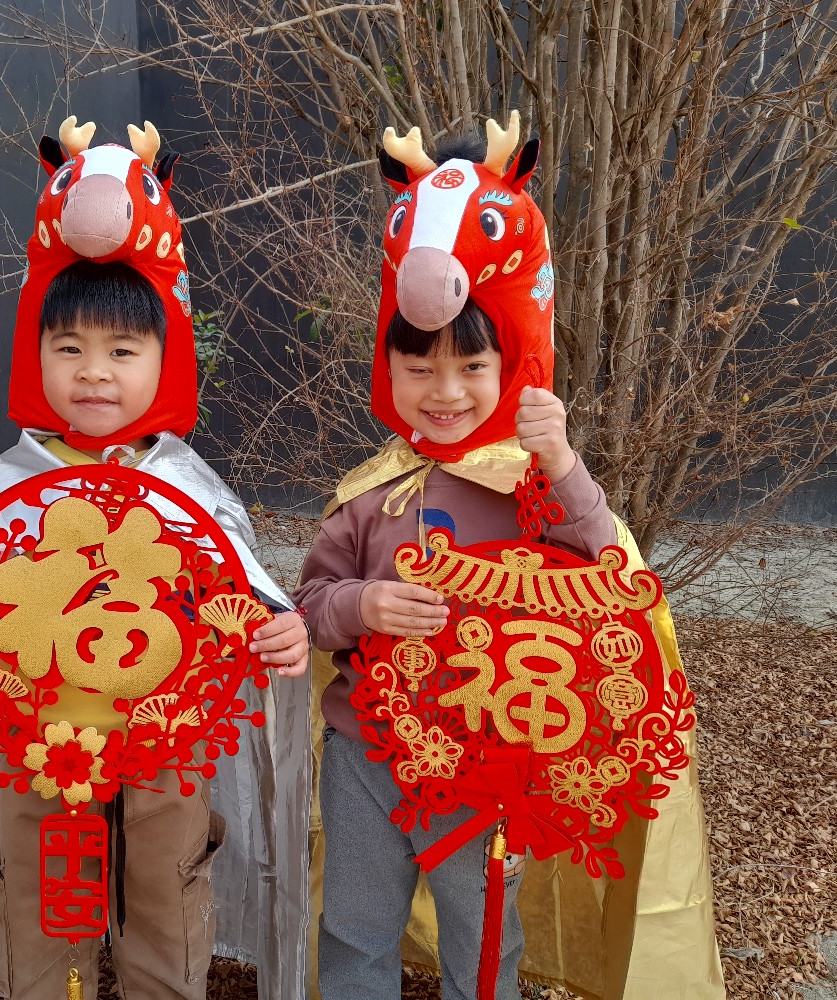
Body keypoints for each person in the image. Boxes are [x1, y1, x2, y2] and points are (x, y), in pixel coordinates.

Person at [0, 118, 313, 1000]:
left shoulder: (191, 494)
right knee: (38, 908)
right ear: (34, 354)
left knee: (166, 898)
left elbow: (241, 607)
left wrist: (280, 634)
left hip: (161, 752)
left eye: (122, 351)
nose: (94, 373)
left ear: (166, 358)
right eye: (68, 348)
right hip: (40, 750)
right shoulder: (3, 496)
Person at [295, 121, 620, 1000]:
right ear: (388, 370)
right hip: (365, 751)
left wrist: (562, 463)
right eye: (418, 369)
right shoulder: (371, 490)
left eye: (471, 366)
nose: (444, 393)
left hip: (488, 760)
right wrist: (361, 606)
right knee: (354, 930)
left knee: (482, 942)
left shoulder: (532, 486)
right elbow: (310, 604)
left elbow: (609, 576)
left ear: (508, 365)